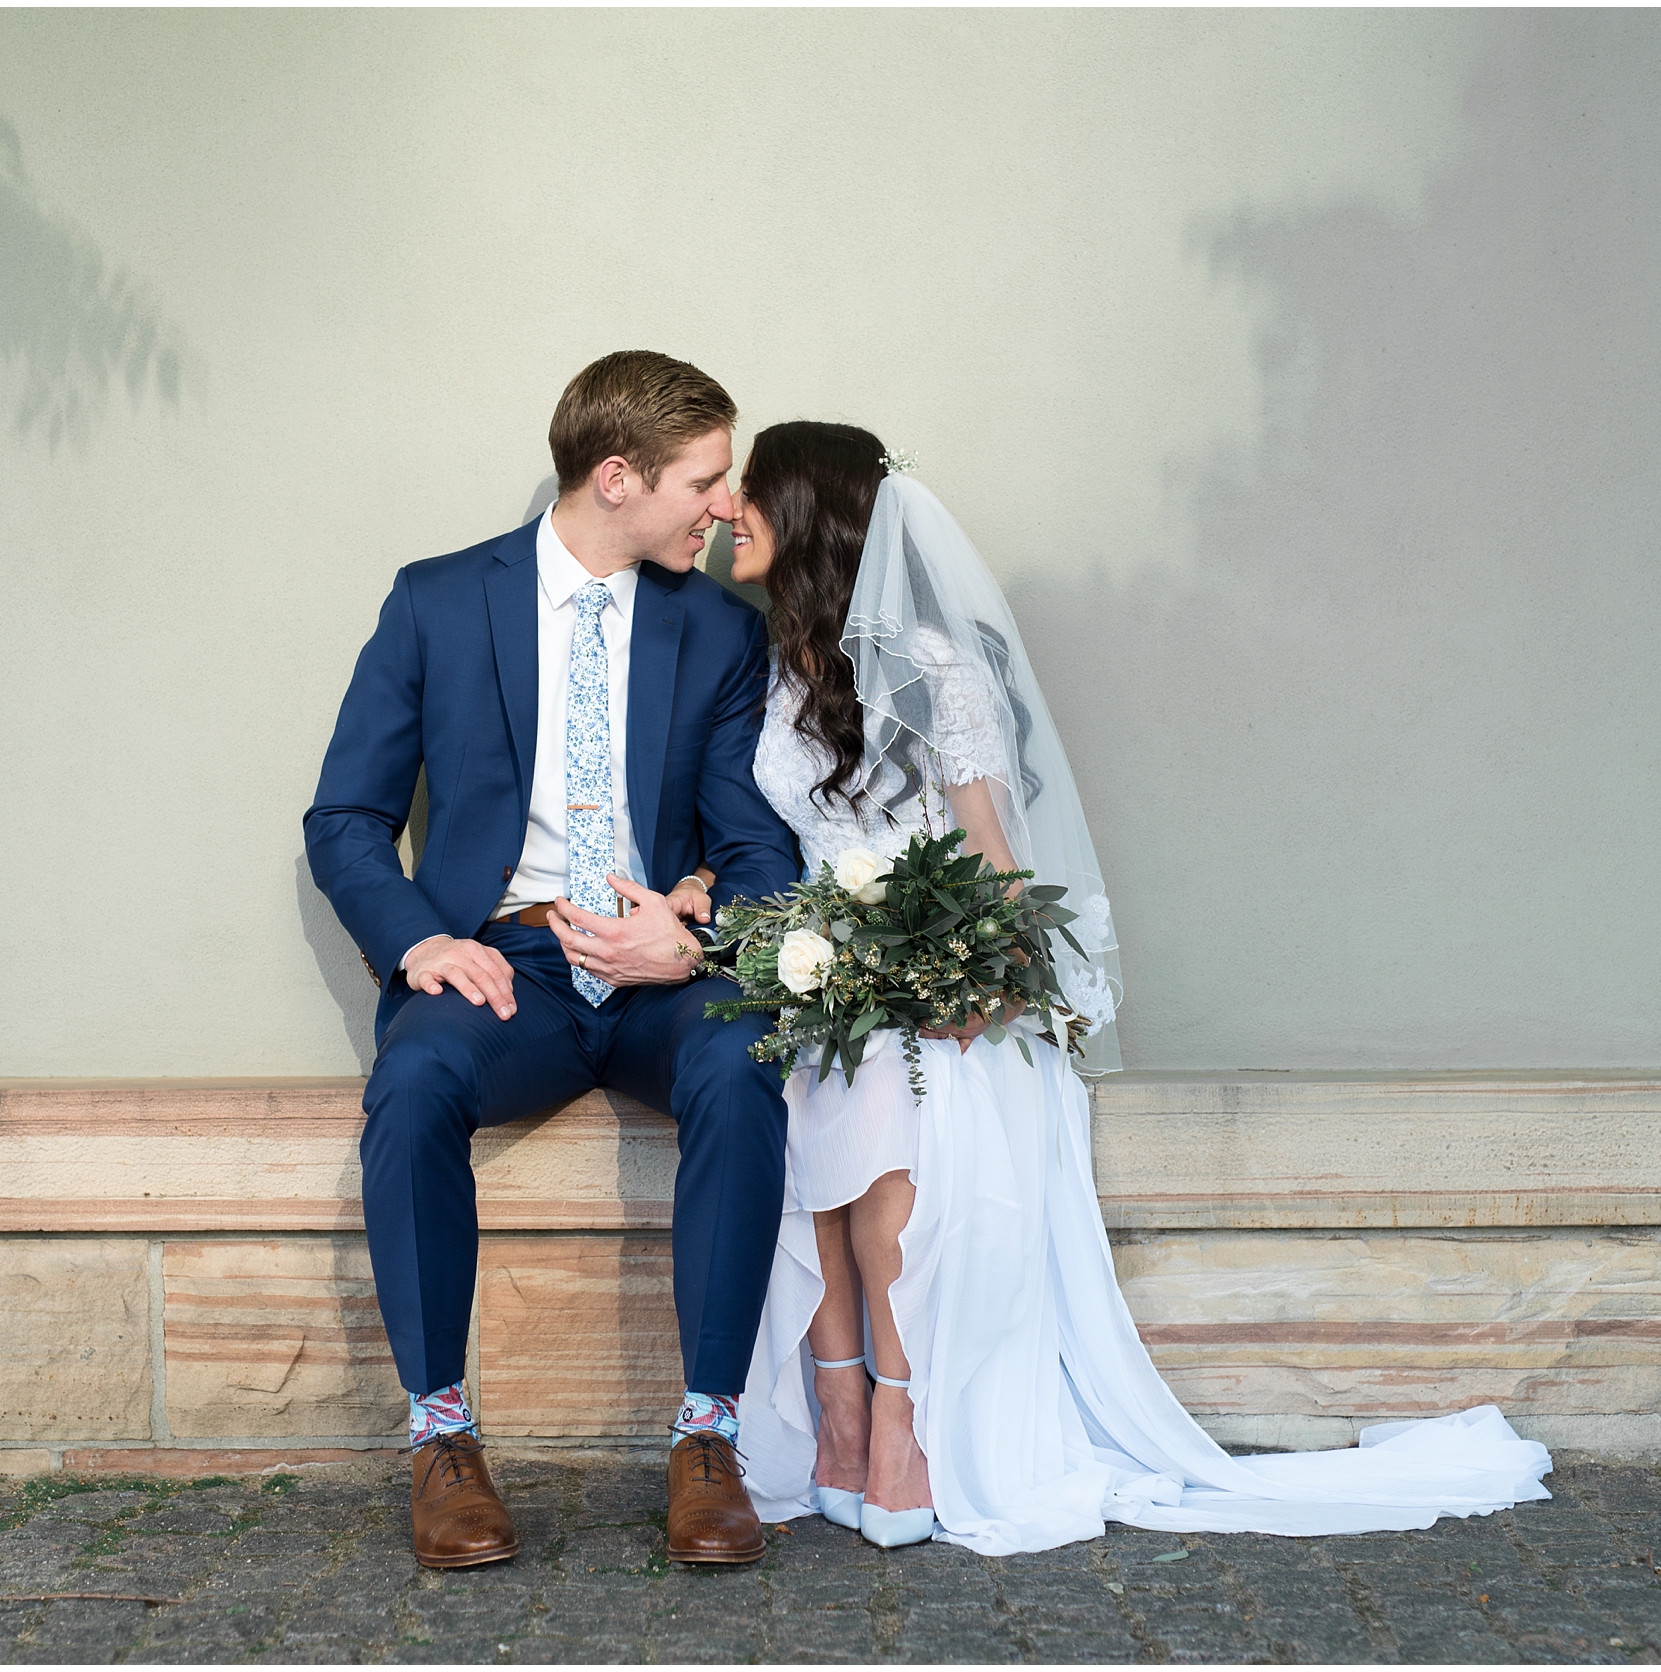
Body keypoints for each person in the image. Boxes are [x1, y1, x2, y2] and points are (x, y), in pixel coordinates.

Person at [724, 421, 1554, 1554]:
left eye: (751, 491)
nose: (729, 508)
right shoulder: (784, 667)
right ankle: (838, 1406)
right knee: (799, 1081)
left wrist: (975, 978)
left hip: (938, 982)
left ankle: (902, 1421)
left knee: (870, 1091)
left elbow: (994, 859)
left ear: (806, 513)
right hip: (831, 966)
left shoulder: (929, 663)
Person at [303, 352, 801, 1568]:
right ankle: (441, 1439)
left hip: (657, 980)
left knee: (744, 1065)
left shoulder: (721, 636)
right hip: (503, 968)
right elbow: (345, 819)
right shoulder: (434, 601)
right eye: (706, 480)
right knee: (413, 1085)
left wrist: (687, 939)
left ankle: (708, 1438)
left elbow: (755, 847)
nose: (725, 508)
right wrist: (421, 939)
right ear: (618, 477)